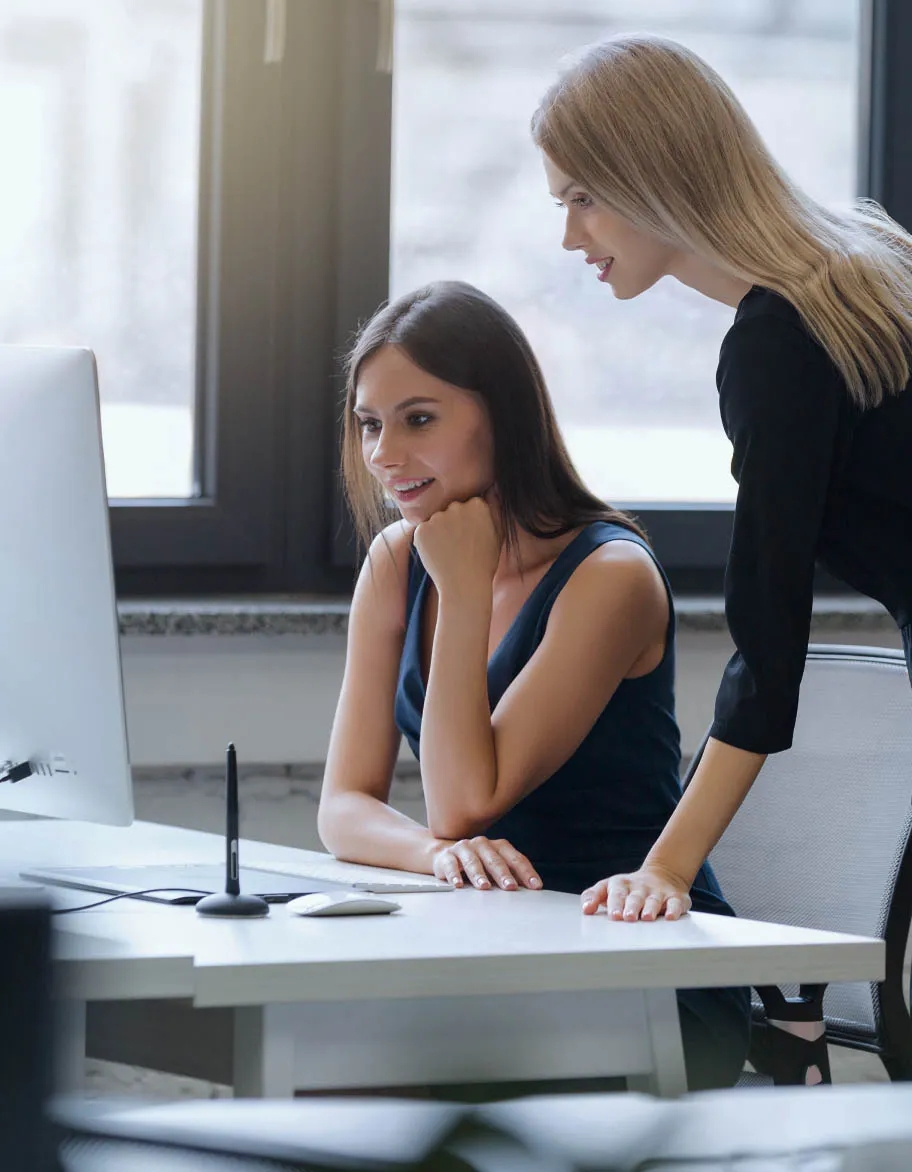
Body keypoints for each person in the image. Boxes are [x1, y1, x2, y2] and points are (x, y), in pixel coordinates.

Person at [317, 278, 750, 1090]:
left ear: (502, 415)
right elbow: (343, 808)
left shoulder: (610, 576)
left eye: (420, 419)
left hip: (642, 963)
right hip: (503, 939)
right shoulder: (395, 563)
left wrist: (466, 588)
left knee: (374, 1071)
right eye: (371, 424)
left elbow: (464, 798)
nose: (383, 455)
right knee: (325, 1051)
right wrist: (441, 858)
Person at [532, 32, 912, 924]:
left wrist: (663, 869)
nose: (568, 235)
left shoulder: (780, 341)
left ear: (652, 172)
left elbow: (768, 644)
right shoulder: (869, 264)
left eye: (584, 198)